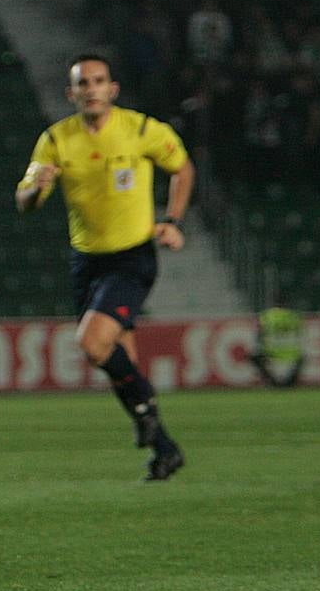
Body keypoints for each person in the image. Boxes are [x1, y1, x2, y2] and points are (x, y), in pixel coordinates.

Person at [16, 54, 194, 481]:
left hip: (132, 257)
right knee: (120, 365)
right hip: (86, 261)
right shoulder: (56, 140)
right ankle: (165, 449)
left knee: (94, 345)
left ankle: (148, 409)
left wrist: (172, 220)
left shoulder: (140, 129)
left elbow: (182, 167)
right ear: (71, 94)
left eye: (98, 81)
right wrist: (36, 189)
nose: (91, 88)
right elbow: (24, 202)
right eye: (83, 83)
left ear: (112, 89)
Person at [249, 306, 304, 388]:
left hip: (273, 356)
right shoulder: (293, 316)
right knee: (301, 357)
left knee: (255, 356)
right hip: (292, 358)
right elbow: (301, 335)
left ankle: (272, 382)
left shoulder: (267, 316)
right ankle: (290, 382)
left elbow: (259, 336)